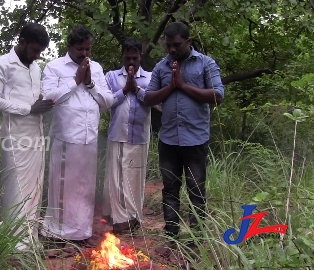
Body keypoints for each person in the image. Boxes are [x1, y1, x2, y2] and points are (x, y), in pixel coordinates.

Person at [143, 21, 225, 255]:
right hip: (168, 140)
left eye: (176, 45)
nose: (171, 50)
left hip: (195, 140)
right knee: (169, 189)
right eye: (168, 46)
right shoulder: (161, 66)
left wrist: (183, 85)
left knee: (196, 191)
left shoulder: (205, 63)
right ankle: (171, 237)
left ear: (188, 42)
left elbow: (218, 95)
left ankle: (197, 240)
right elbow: (148, 99)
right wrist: (171, 87)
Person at [41, 25, 114, 248]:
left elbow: (108, 102)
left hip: (88, 136)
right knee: (63, 186)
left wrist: (90, 83)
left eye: (88, 49)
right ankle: (58, 233)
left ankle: (82, 231)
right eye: (80, 49)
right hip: (66, 135)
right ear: (69, 46)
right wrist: (75, 80)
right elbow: (48, 97)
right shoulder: (54, 67)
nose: (85, 54)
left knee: (84, 187)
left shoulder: (97, 68)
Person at [0, 23, 54, 250]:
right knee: (16, 187)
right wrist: (29, 107)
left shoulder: (35, 67)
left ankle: (30, 238)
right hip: (15, 136)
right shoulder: (2, 64)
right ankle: (14, 242)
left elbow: (35, 95)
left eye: (40, 52)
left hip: (36, 133)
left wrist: (43, 100)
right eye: (35, 50)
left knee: (35, 186)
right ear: (22, 41)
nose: (37, 56)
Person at [101, 38, 152, 234]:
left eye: (135, 58)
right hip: (117, 135)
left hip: (139, 137)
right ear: (122, 56)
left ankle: (133, 217)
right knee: (116, 178)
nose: (131, 62)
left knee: (135, 177)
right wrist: (124, 90)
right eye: (127, 58)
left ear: (141, 56)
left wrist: (136, 89)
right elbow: (105, 103)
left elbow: (157, 103)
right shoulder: (111, 76)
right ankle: (119, 218)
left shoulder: (149, 78)